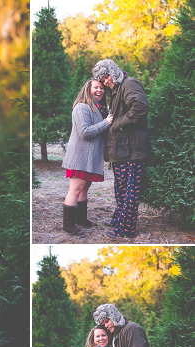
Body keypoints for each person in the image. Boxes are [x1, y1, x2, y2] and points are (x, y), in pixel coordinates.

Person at [92, 59, 150, 239]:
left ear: (113, 71)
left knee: (129, 191)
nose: (105, 82)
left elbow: (141, 107)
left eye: (106, 77)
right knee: (121, 189)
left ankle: (126, 229)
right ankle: (120, 219)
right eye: (101, 80)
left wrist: (119, 125)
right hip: (121, 150)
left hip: (131, 149)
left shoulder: (129, 83)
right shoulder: (115, 90)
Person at [61, 79, 114, 235]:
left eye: (101, 88)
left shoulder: (97, 108)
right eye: (95, 87)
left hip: (90, 158)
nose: (100, 90)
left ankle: (80, 219)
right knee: (75, 190)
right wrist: (106, 122)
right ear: (87, 89)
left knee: (85, 188)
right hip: (80, 157)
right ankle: (68, 225)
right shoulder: (81, 107)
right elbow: (85, 132)